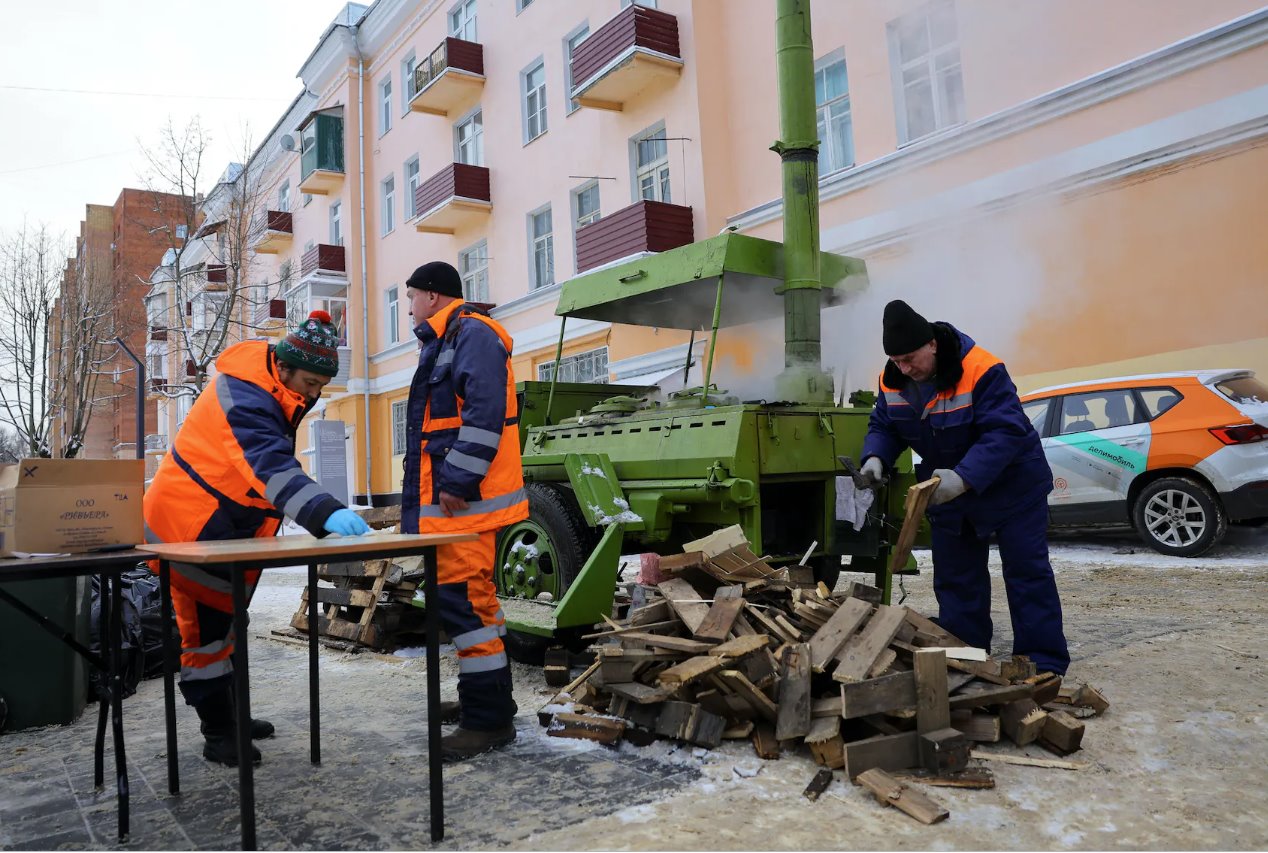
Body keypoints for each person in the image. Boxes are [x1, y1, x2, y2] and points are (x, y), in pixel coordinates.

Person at [144, 310, 372, 766]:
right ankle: (219, 734)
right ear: (284, 367)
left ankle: (231, 715)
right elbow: (268, 465)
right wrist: (325, 511)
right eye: (311, 382)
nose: (315, 393)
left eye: (321, 385)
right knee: (206, 635)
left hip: (224, 531)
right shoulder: (245, 393)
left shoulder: (270, 387)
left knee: (229, 625)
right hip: (190, 531)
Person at [858, 299, 1069, 675]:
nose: (904, 369)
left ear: (932, 344)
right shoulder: (892, 379)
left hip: (1012, 486)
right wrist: (876, 457)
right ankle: (966, 656)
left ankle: (1042, 664)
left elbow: (1005, 431)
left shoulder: (982, 369)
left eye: (909, 359)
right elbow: (885, 426)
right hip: (946, 488)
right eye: (896, 361)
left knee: (1026, 573)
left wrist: (965, 477)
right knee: (956, 577)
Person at [400, 260, 528, 762]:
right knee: (475, 606)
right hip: (457, 506)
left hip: (464, 504)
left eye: (411, 296)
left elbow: (483, 413)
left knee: (467, 607)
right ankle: (490, 700)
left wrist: (456, 479)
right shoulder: (450, 337)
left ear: (432, 295)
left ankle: (487, 722)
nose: (409, 307)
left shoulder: (470, 333)